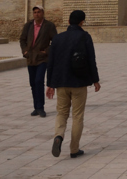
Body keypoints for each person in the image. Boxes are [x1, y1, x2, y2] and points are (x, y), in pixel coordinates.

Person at [46, 10, 100, 159]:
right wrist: (95, 80)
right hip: (79, 82)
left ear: (68, 22)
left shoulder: (57, 39)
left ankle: (58, 136)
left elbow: (51, 63)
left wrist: (49, 84)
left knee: (62, 113)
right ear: (82, 22)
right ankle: (74, 149)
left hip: (61, 82)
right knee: (77, 116)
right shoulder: (85, 37)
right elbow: (91, 60)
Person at [19, 6, 57, 117]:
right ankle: (36, 107)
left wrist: (46, 51)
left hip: (42, 59)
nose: (36, 14)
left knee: (39, 81)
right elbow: (22, 39)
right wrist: (25, 51)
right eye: (35, 12)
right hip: (31, 58)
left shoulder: (49, 26)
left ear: (43, 13)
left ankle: (41, 107)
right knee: (33, 83)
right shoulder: (29, 25)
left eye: (38, 12)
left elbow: (55, 41)